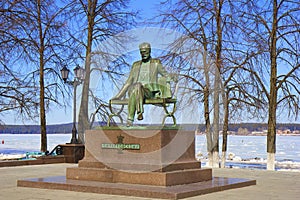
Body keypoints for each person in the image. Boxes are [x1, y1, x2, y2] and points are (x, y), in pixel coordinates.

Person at [112, 42, 171, 126]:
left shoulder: (156, 63)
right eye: (141, 52)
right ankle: (139, 112)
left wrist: (172, 79)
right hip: (135, 90)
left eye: (145, 52)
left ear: (149, 51)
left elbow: (166, 75)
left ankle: (130, 119)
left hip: (148, 92)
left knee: (137, 87)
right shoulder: (135, 65)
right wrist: (118, 96)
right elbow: (128, 82)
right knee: (136, 86)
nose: (143, 54)